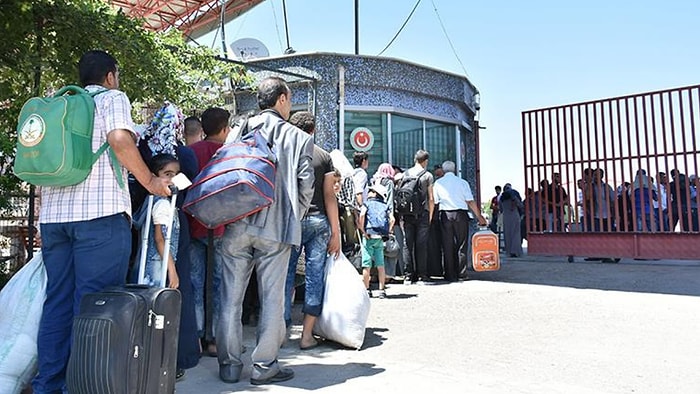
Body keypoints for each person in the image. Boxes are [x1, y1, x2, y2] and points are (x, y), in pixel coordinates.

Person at [33, 50, 172, 394]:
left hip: (53, 219)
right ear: (110, 76)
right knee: (93, 306)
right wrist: (151, 181)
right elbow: (120, 139)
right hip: (99, 216)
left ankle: (47, 386)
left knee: (58, 303)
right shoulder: (112, 97)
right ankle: (81, 387)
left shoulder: (58, 104)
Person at [217, 77, 314, 385]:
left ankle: (229, 366)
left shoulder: (238, 129)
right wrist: (292, 215)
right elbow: (306, 185)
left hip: (237, 221)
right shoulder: (298, 137)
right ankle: (264, 366)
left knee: (230, 297)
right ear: (282, 99)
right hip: (276, 226)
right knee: (273, 297)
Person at [284, 110, 340, 351]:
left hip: (291, 221)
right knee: (315, 277)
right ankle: (307, 335)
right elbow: (330, 196)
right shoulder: (323, 156)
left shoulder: (284, 153)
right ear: (313, 130)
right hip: (319, 222)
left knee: (284, 278)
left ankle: (281, 333)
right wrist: (336, 232)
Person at [188, 107, 230, 356]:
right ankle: (213, 339)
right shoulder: (230, 153)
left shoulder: (190, 153)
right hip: (222, 227)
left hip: (194, 224)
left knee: (195, 282)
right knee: (218, 284)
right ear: (225, 129)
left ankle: (195, 338)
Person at [432, 161, 487, 282]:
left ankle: (449, 274)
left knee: (447, 244)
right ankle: (462, 273)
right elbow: (470, 201)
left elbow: (435, 202)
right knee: (462, 243)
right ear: (455, 170)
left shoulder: (438, 183)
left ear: (443, 170)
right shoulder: (463, 183)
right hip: (461, 215)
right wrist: (479, 216)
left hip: (445, 215)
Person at [136, 154, 181, 288]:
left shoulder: (154, 200)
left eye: (176, 175)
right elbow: (160, 239)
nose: (172, 180)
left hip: (157, 262)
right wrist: (172, 270)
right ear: (154, 176)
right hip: (156, 263)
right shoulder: (162, 203)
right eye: (168, 174)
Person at [400, 149, 434, 284]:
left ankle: (408, 276)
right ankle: (422, 275)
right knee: (421, 245)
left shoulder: (405, 174)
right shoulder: (428, 175)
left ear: (415, 160)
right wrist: (430, 215)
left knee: (407, 244)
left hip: (407, 214)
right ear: (425, 161)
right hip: (422, 213)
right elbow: (431, 198)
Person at [358, 183, 393, 297]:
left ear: (375, 193)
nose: (368, 192)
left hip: (368, 236)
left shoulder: (366, 204)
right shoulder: (385, 205)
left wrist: (362, 230)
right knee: (380, 264)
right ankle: (382, 290)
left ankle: (366, 290)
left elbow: (362, 216)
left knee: (366, 264)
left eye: (371, 190)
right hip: (380, 237)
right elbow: (392, 219)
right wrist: (388, 231)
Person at [500, 183, 523, 257]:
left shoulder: (501, 198)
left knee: (507, 233)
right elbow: (520, 205)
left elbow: (501, 209)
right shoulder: (514, 195)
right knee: (516, 233)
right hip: (514, 215)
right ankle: (515, 251)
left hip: (506, 216)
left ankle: (509, 251)